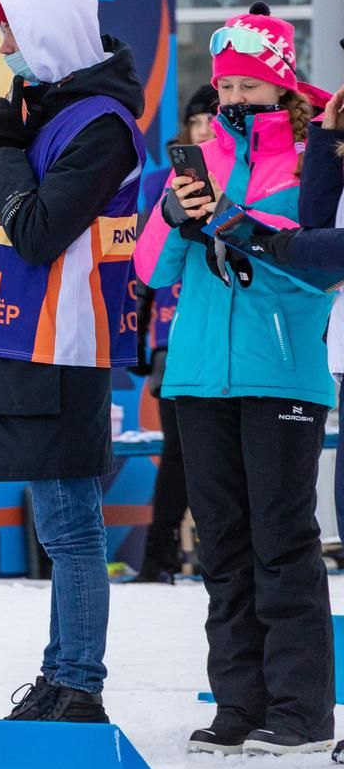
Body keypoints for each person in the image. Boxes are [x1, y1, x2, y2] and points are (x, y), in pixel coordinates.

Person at [0, 0, 146, 726]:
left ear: (50, 32)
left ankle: (80, 684)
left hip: (63, 346)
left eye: (11, 32)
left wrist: (2, 155)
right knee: (58, 524)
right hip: (25, 340)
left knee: (71, 528)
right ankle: (58, 676)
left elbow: (34, 232)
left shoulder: (100, 125)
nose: (4, 50)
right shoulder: (51, 112)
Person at [138, 5, 337, 756]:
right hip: (197, 376)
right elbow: (151, 273)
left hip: (282, 368)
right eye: (224, 83)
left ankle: (301, 710)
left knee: (282, 542)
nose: (233, 97)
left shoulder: (314, 161)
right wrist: (174, 216)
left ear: (279, 84)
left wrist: (242, 225)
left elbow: (321, 268)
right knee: (221, 544)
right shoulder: (198, 159)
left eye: (249, 83)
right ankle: (238, 701)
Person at [129, 83, 216, 584]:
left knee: (220, 459)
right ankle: (158, 558)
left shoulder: (239, 175)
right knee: (179, 455)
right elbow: (148, 264)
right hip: (173, 334)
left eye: (212, 117)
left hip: (230, 330)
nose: (204, 126)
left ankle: (212, 557)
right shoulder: (164, 179)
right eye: (197, 119)